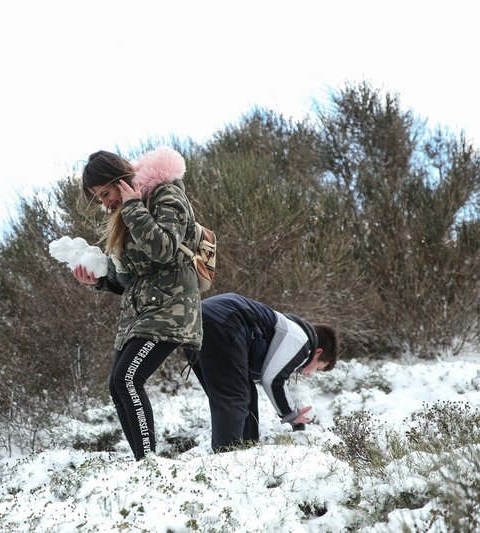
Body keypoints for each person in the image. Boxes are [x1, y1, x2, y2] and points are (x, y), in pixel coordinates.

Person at [72, 147, 202, 461]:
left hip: (172, 310)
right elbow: (134, 279)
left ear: (120, 180)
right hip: (140, 314)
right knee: (117, 385)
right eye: (98, 198)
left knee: (127, 379)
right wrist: (101, 281)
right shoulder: (129, 210)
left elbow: (165, 250)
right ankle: (142, 464)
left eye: (106, 193)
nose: (105, 203)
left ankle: (148, 463)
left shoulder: (165, 195)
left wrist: (132, 207)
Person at [184, 292, 339, 452]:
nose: (310, 373)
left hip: (195, 319)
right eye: (318, 368)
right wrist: (292, 415)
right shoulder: (301, 340)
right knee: (234, 398)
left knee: (245, 394)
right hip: (223, 321)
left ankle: (246, 453)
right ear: (318, 352)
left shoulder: (288, 329)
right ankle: (226, 462)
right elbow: (273, 380)